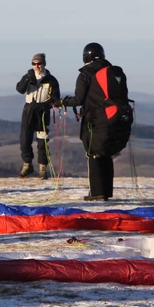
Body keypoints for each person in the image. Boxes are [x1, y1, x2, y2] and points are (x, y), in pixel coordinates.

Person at [61, 42, 116, 201]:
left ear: (86, 57)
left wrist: (63, 102)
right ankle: (106, 192)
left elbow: (79, 99)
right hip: (112, 118)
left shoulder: (86, 73)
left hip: (94, 119)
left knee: (93, 153)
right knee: (106, 154)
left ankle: (97, 193)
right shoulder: (111, 71)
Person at [15, 53, 60, 179]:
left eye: (39, 64)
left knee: (42, 141)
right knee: (25, 139)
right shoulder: (28, 77)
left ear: (44, 64)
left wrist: (46, 105)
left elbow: (55, 98)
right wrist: (27, 79)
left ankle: (42, 168)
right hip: (29, 110)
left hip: (43, 111)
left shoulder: (51, 80)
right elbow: (19, 89)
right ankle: (27, 164)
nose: (36, 66)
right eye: (34, 64)